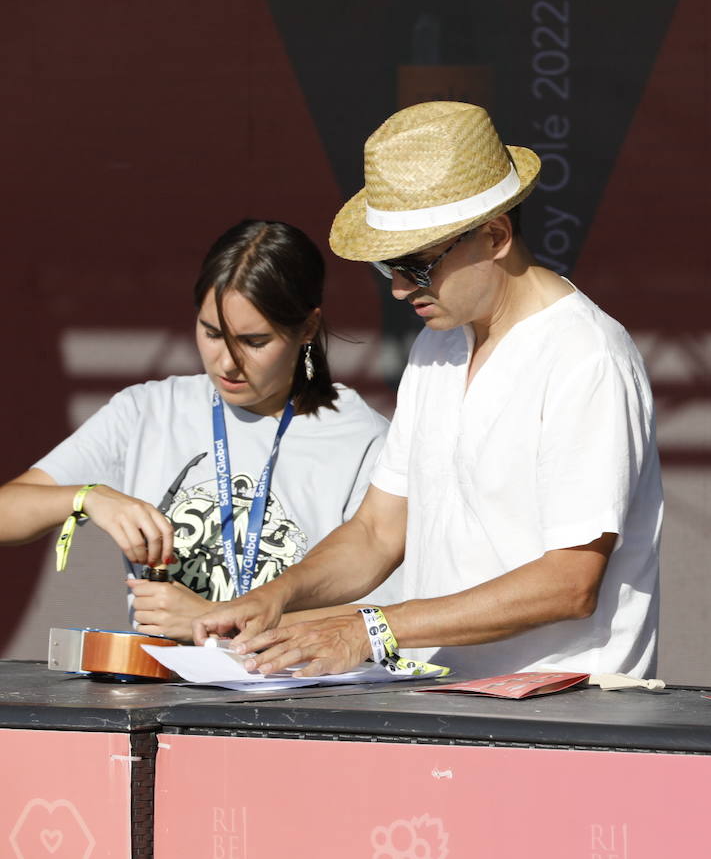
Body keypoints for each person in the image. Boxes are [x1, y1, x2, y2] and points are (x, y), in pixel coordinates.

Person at [193, 102, 662, 680]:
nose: (396, 289)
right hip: (444, 704)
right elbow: (378, 531)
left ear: (493, 237)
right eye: (386, 267)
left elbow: (569, 582)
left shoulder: (586, 356)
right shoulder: (438, 347)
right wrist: (276, 596)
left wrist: (372, 627)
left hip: (563, 722)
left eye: (415, 267)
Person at [0, 220, 390, 640]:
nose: (227, 362)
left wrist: (213, 619)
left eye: (254, 341)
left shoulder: (363, 437)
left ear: (308, 328)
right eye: (212, 334)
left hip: (299, 694)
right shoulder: (147, 411)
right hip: (159, 696)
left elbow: (384, 616)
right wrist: (87, 497)